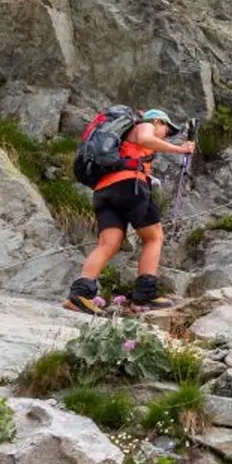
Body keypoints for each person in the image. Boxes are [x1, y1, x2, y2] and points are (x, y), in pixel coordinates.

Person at [63, 109, 195, 314]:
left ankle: (80, 295)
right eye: (167, 130)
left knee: (109, 243)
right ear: (158, 121)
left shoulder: (123, 141)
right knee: (154, 238)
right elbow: (145, 138)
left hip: (104, 191)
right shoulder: (145, 125)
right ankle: (145, 295)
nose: (166, 136)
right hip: (129, 186)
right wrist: (180, 149)